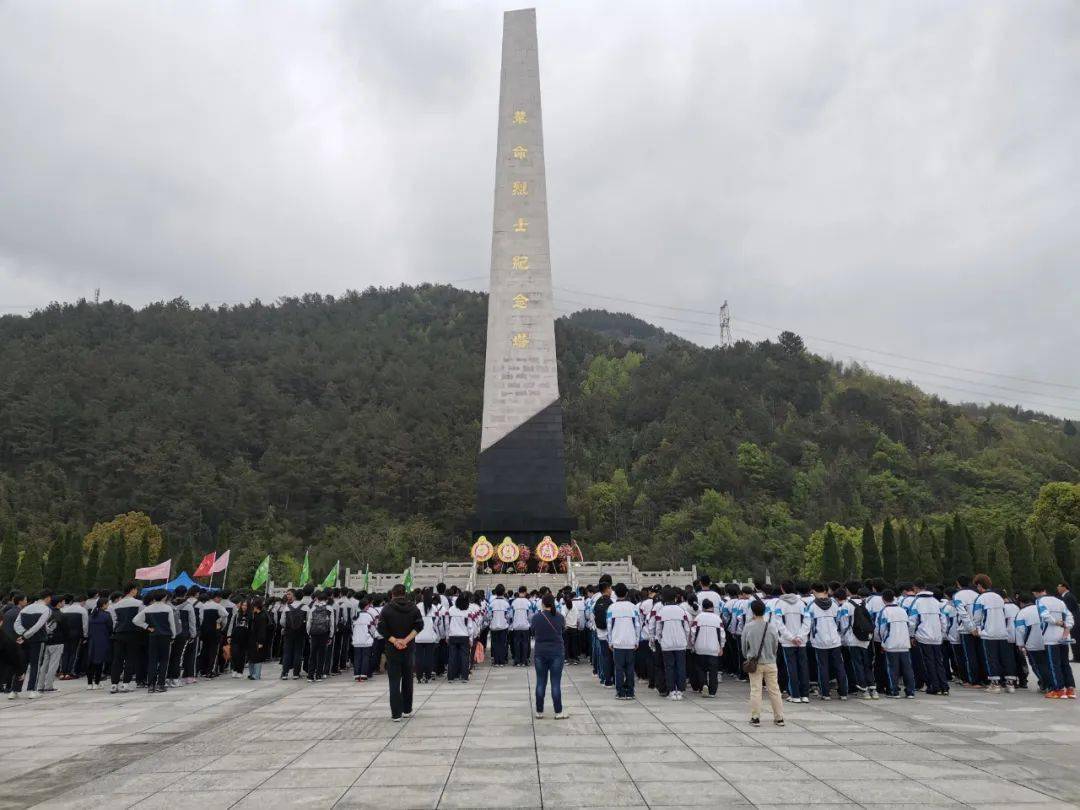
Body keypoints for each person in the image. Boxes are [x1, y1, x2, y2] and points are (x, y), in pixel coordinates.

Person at [377, 584, 424, 721]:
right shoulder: (413, 608)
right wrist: (406, 640)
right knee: (408, 679)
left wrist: (395, 641)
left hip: (392, 649)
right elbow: (419, 626)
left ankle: (396, 713)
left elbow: (381, 629)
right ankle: (407, 709)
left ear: (392, 594)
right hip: (408, 648)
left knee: (394, 681)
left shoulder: (387, 609)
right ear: (405, 593)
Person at [741, 599, 784, 726]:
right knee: (774, 690)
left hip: (755, 662)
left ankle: (755, 717)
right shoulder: (771, 626)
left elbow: (744, 646)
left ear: (752, 612)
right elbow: (776, 645)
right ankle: (779, 717)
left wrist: (747, 656)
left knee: (755, 690)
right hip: (770, 662)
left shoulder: (748, 627)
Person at [971, 574, 1015, 693]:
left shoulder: (980, 598)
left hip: (988, 633)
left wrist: (977, 629)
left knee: (991, 658)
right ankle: (1010, 684)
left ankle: (995, 684)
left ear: (980, 585)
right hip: (1002, 632)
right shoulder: (999, 597)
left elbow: (977, 617)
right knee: (1005, 658)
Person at [1033, 584, 1076, 699]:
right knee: (1065, 663)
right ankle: (1070, 689)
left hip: (1050, 638)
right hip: (1064, 637)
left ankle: (1058, 690)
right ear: (1045, 590)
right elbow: (1070, 616)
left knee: (1053, 664)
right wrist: (1066, 627)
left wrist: (1056, 622)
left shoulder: (1040, 601)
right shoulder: (1060, 601)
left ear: (1036, 593)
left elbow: (1044, 615)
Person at [807, 584, 847, 700]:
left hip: (819, 640)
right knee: (839, 666)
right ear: (825, 591)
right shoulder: (835, 604)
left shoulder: (812, 606)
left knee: (822, 667)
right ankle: (843, 693)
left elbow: (808, 623)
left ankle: (825, 694)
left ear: (814, 591)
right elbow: (840, 622)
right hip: (835, 639)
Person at [133, 589, 178, 693]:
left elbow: (135, 620)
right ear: (164, 597)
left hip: (153, 636)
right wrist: (173, 636)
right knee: (164, 660)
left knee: (152, 660)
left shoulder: (148, 609)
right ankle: (160, 684)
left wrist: (147, 627)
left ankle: (151, 685)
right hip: (165, 636)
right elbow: (172, 624)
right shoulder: (168, 608)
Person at [531, 592, 567, 719]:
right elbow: (563, 630)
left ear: (542, 603)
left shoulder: (536, 617)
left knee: (540, 682)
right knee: (555, 682)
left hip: (540, 652)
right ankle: (558, 711)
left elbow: (533, 631)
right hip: (556, 652)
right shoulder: (560, 617)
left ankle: (539, 711)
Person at [908, 583, 948, 695]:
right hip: (937, 636)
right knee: (939, 662)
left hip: (923, 636)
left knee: (928, 662)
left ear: (916, 590)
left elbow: (912, 621)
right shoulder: (936, 602)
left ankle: (933, 686)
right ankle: (944, 686)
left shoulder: (916, 603)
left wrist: (912, 635)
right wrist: (942, 633)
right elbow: (943, 620)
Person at [13, 590, 54, 699]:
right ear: (48, 598)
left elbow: (16, 624)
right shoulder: (46, 610)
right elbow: (38, 626)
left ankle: (14, 690)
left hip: (24, 641)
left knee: (22, 664)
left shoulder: (26, 608)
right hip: (38, 640)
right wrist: (27, 635)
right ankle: (32, 690)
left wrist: (23, 634)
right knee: (35, 665)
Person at [774, 581, 810, 704]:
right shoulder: (802, 603)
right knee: (803, 667)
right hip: (801, 641)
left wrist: (790, 637)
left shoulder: (779, 604)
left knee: (791, 668)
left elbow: (779, 623)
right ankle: (805, 695)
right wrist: (800, 636)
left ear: (782, 589)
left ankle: (795, 695)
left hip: (787, 642)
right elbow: (807, 621)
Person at [878, 590, 916, 698]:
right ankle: (910, 692)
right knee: (907, 669)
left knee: (892, 669)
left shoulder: (884, 611)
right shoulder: (902, 610)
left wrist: (883, 642)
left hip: (891, 644)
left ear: (883, 599)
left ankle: (894, 691)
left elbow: (881, 629)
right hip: (904, 643)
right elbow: (909, 625)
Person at [655, 588, 691, 700]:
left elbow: (658, 630)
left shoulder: (661, 611)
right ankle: (680, 691)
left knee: (669, 667)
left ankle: (671, 691)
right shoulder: (681, 611)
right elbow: (687, 629)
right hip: (680, 643)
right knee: (680, 667)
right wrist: (685, 640)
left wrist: (661, 640)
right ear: (676, 598)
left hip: (667, 644)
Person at [607, 583, 640, 700]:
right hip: (631, 642)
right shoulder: (633, 607)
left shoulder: (612, 608)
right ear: (626, 593)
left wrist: (610, 642)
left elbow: (609, 626)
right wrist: (637, 640)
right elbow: (637, 625)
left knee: (619, 668)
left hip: (617, 642)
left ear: (615, 593)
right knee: (630, 668)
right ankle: (630, 692)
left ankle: (620, 692)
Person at [690, 598, 724, 697]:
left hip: (700, 647)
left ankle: (704, 685)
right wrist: (721, 646)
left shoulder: (698, 618)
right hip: (713, 647)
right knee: (713, 670)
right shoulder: (717, 618)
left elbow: (693, 632)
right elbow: (722, 634)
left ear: (703, 607)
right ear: (712, 607)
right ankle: (712, 691)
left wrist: (693, 644)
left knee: (700, 668)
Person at [84, 597, 113, 690]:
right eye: (107, 604)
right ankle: (96, 683)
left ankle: (89, 684)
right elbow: (110, 629)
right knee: (99, 662)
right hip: (103, 640)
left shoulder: (91, 615)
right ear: (104, 604)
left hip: (92, 641)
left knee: (91, 662)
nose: (108, 605)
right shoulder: (107, 615)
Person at [306, 591, 334, 683]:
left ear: (317, 599)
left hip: (314, 633)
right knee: (322, 654)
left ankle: (310, 675)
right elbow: (331, 623)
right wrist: (330, 636)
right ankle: (319, 675)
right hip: (324, 633)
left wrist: (309, 633)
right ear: (327, 599)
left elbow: (309, 622)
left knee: (312, 654)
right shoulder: (329, 608)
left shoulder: (313, 608)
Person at [446, 594, 474, 683]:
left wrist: (447, 636)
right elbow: (470, 626)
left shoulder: (450, 610)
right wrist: (471, 639)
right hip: (464, 636)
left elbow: (447, 624)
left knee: (452, 657)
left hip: (453, 635)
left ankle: (451, 677)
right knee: (464, 657)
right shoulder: (468, 612)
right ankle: (464, 676)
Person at [413, 589, 439, 683]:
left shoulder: (416, 607)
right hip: (430, 636)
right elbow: (436, 623)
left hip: (419, 636)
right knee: (429, 657)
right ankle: (428, 676)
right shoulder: (434, 608)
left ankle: (419, 676)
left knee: (419, 657)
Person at [245, 597, 269, 680]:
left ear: (256, 606)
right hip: (251, 638)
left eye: (253, 607)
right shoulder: (254, 615)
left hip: (258, 640)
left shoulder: (262, 616)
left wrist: (261, 642)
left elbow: (262, 630)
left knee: (257, 657)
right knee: (251, 656)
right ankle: (252, 674)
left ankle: (257, 675)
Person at [510, 586, 533, 667]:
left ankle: (517, 660)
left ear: (518, 591)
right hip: (525, 626)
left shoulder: (514, 602)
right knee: (525, 643)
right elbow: (530, 616)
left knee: (516, 644)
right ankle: (524, 661)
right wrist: (529, 623)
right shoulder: (528, 602)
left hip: (516, 626)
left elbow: (510, 615)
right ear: (525, 592)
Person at [1056, 582, 1080, 662]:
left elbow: (1067, 610)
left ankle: (1077, 657)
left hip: (1074, 620)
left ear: (1064, 588)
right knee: (1075, 638)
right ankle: (1077, 656)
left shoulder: (1068, 596)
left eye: (1059, 587)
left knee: (1075, 638)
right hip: (1074, 619)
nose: (1058, 589)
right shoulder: (1066, 596)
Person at [488, 585, 511, 667]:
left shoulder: (492, 603)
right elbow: (508, 616)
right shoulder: (506, 603)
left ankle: (496, 661)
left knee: (495, 644)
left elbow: (489, 616)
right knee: (502, 644)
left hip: (494, 626)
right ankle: (502, 661)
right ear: (504, 592)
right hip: (503, 626)